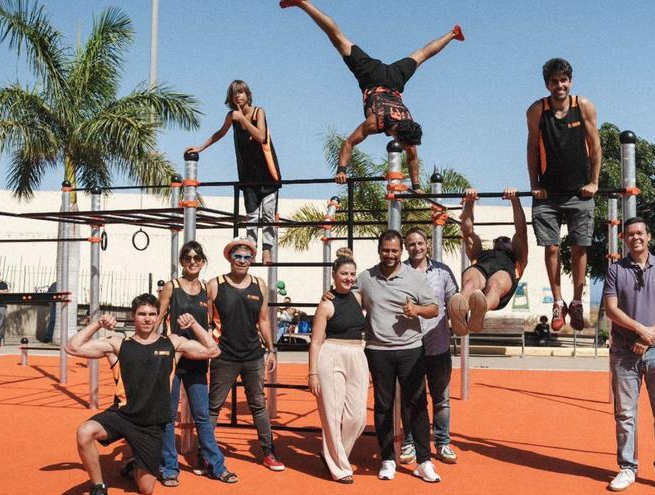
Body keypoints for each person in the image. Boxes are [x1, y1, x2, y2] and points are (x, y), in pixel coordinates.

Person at [285, 0, 464, 192]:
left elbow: (412, 155)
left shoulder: (408, 127)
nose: (407, 148)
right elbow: (348, 143)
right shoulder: (375, 122)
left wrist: (417, 186)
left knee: (422, 54)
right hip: (372, 78)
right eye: (405, 145)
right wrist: (341, 170)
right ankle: (302, 3)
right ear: (398, 136)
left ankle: (454, 33)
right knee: (338, 38)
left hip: (394, 82)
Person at [67, 293, 219, 495]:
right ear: (133, 316)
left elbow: (213, 351)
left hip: (152, 425)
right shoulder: (120, 343)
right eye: (142, 314)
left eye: (152, 314)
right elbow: (72, 347)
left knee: (146, 489)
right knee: (85, 432)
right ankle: (98, 486)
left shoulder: (172, 343)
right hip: (123, 416)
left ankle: (132, 467)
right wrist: (97, 324)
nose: (147, 318)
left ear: (158, 317)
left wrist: (193, 325)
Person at [603, 217, 655, 494]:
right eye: (630, 234)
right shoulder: (615, 270)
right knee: (625, 414)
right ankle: (627, 467)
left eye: (640, 233)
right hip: (624, 352)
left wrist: (651, 336)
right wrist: (640, 331)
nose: (636, 237)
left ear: (648, 236)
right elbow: (611, 310)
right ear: (624, 238)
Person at [356, 229, 441, 482]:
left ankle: (424, 461)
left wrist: (416, 309)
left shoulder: (414, 277)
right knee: (383, 406)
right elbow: (349, 299)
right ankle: (387, 459)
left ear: (401, 251)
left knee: (416, 404)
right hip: (378, 350)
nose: (390, 254)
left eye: (394, 250)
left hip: (410, 349)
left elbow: (434, 309)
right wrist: (330, 295)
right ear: (379, 250)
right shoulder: (366, 277)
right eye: (386, 250)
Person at [525, 57, 602, 332]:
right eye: (555, 81)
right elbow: (532, 148)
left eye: (564, 80)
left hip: (580, 191)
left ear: (570, 81)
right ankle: (558, 301)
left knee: (580, 246)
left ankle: (577, 302)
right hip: (548, 193)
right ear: (547, 84)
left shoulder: (583, 106)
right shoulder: (537, 110)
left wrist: (593, 182)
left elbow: (595, 146)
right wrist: (534, 183)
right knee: (552, 246)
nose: (560, 85)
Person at [155, 241, 237, 486]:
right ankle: (169, 467)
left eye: (197, 258)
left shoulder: (206, 289)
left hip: (197, 362)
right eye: (188, 257)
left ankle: (216, 465)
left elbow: (217, 319)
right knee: (168, 416)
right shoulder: (172, 287)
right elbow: (158, 320)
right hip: (173, 360)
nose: (192, 261)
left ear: (202, 261)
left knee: (202, 415)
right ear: (182, 261)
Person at [207, 238, 284, 471]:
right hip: (224, 355)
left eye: (246, 257)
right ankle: (207, 453)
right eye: (237, 256)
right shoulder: (215, 284)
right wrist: (210, 347)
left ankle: (269, 453)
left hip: (252, 355)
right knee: (214, 406)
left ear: (252, 260)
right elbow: (207, 321)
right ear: (230, 258)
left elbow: (263, 320)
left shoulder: (259, 284)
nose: (241, 261)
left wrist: (271, 349)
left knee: (258, 405)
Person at [186, 80, 282, 264]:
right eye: (234, 93)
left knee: (269, 214)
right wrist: (200, 148)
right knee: (252, 215)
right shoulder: (232, 115)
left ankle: (267, 249)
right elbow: (220, 133)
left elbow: (261, 136)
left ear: (247, 94)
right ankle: (251, 249)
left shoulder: (258, 111)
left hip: (267, 172)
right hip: (248, 173)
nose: (238, 95)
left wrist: (243, 119)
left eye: (241, 92)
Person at [398, 228, 459, 465]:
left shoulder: (442, 272)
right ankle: (410, 443)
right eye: (411, 244)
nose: (416, 248)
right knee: (410, 398)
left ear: (427, 245)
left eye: (420, 243)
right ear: (406, 246)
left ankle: (442, 442)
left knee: (441, 398)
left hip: (438, 345)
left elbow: (454, 301)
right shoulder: (399, 272)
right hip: (409, 346)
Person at [308, 256, 368, 484]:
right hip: (331, 355)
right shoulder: (326, 304)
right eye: (344, 274)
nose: (349, 278)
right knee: (332, 415)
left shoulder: (358, 297)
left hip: (357, 355)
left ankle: (332, 454)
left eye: (352, 274)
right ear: (334, 275)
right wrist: (312, 373)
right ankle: (339, 467)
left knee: (357, 418)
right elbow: (315, 342)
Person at [447, 188, 528, 335]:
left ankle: (481, 309)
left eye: (506, 240)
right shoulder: (481, 253)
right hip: (481, 270)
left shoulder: (518, 259)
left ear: (512, 245)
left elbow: (521, 231)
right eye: (497, 240)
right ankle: (459, 311)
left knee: (495, 283)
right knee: (471, 283)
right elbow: (467, 232)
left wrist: (515, 201)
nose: (501, 241)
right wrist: (470, 202)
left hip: (503, 278)